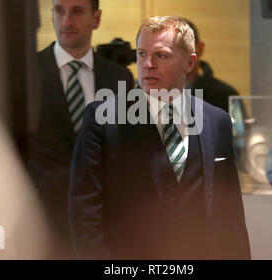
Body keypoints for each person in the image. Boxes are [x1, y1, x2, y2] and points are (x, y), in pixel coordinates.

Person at [69, 16, 250, 259]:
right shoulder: (102, 118)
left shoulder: (216, 121)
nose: (147, 64)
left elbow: (231, 214)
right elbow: (85, 212)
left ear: (190, 62)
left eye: (161, 55)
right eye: (142, 54)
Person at [30, 0, 135, 259]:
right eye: (59, 10)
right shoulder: (27, 74)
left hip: (104, 231)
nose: (66, 20)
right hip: (43, 229)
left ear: (96, 18)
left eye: (77, 11)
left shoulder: (119, 78)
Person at [185, 19, 240, 113]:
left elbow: (238, 127)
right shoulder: (154, 93)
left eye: (184, 47)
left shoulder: (225, 95)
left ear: (200, 48)